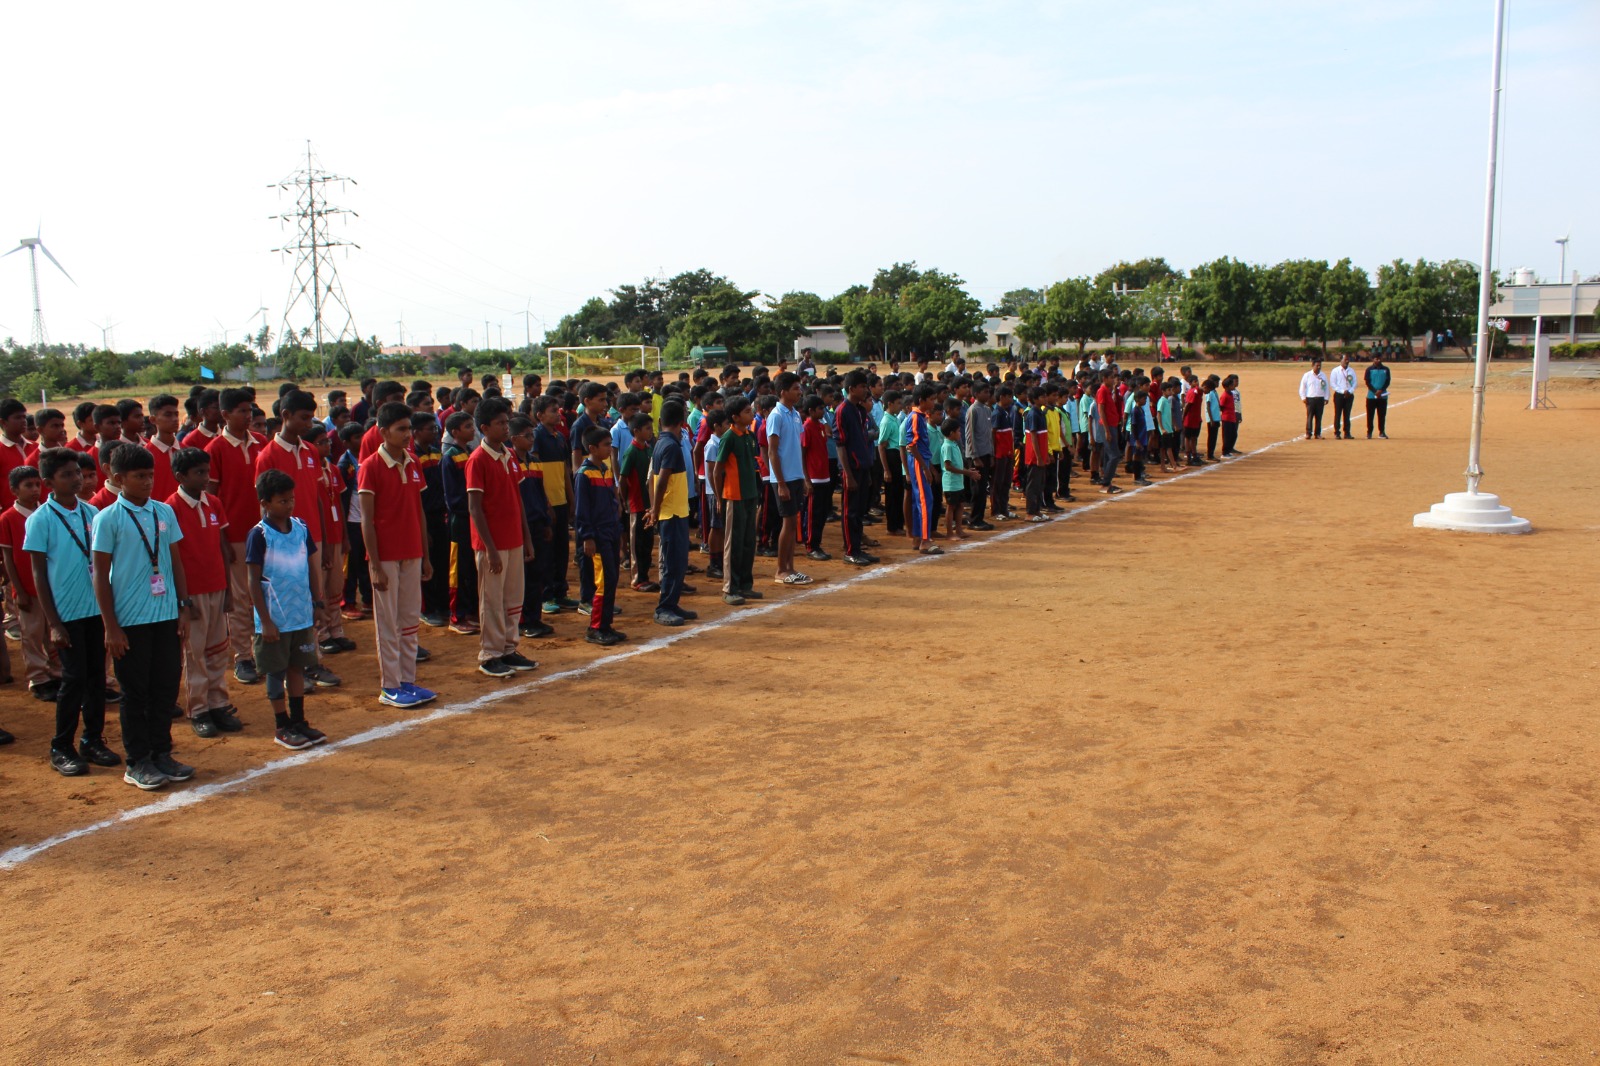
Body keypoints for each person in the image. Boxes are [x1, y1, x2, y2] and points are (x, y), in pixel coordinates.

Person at [91, 443, 192, 791]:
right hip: (129, 622)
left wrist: (183, 606)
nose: (147, 482)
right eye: (139, 477)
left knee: (165, 689)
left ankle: (162, 753)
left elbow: (176, 562)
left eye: (150, 475)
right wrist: (111, 626)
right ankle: (138, 761)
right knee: (136, 694)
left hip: (165, 615)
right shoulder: (106, 519)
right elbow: (100, 575)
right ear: (118, 478)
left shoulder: (164, 513)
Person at [23, 449, 117, 775]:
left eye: (78, 472)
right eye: (67, 475)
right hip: (67, 613)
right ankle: (61, 745)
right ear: (49, 482)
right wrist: (54, 623)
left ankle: (92, 739)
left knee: (95, 679)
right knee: (73, 680)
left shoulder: (92, 513)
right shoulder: (40, 520)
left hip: (95, 610)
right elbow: (38, 575)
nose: (76, 478)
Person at [246, 469, 329, 751]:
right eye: (282, 501)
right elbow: (253, 580)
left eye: (291, 499)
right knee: (275, 670)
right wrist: (265, 621)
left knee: (297, 667)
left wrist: (316, 603)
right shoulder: (259, 535)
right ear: (265, 503)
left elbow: (311, 567)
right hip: (275, 619)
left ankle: (299, 720)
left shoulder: (301, 528)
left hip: (300, 615)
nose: (289, 505)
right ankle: (281, 725)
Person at [167, 447, 240, 739]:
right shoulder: (170, 508)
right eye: (199, 473)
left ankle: (218, 702)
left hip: (216, 586)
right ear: (180, 476)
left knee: (218, 649)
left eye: (207, 472)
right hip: (192, 592)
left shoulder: (213, 503)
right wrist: (183, 600)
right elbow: (172, 558)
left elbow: (222, 547)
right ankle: (198, 709)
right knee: (195, 652)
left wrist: (228, 589)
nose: (206, 478)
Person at [465, 397, 538, 679]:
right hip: (491, 544)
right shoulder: (478, 460)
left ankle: (509, 647)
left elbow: (517, 500)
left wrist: (526, 537)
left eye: (507, 422)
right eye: (500, 424)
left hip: (513, 539)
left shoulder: (508, 455)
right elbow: (474, 507)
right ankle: (490, 653)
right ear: (484, 427)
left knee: (512, 598)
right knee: (491, 600)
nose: (506, 427)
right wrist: (491, 549)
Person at [205, 388, 265, 684]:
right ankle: (243, 656)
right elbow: (211, 498)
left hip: (265, 532)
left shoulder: (262, 444)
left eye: (250, 410)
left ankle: (266, 648)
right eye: (241, 410)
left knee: (266, 593)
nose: (248, 415)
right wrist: (221, 539)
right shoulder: (215, 449)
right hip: (236, 535)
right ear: (226, 415)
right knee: (242, 598)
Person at [1, 465, 62, 702]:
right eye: (28, 485)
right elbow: (8, 557)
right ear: (15, 490)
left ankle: (55, 672)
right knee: (32, 634)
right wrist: (18, 590)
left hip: (51, 586)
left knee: (52, 631)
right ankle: (38, 678)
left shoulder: (47, 512)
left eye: (37, 484)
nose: (35, 489)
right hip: (27, 587)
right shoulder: (8, 518)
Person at [572, 427, 625, 646]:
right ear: (592, 448)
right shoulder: (584, 474)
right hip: (598, 535)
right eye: (605, 445)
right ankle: (595, 627)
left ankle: (606, 624)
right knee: (602, 581)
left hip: (610, 531)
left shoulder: (604, 469)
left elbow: (612, 502)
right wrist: (588, 537)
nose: (609, 448)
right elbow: (582, 510)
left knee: (611, 579)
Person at [649, 400, 697, 625]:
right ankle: (664, 607)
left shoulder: (662, 442)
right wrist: (655, 510)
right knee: (672, 562)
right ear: (682, 423)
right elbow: (662, 480)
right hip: (671, 513)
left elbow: (653, 479)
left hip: (675, 510)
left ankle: (672, 602)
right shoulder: (671, 446)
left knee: (678, 561)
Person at [713, 396, 761, 605]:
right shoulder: (729, 437)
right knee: (733, 542)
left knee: (749, 541)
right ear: (735, 417)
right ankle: (729, 587)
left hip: (750, 494)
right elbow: (717, 470)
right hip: (734, 496)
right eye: (747, 411)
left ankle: (745, 584)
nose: (751, 414)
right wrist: (718, 497)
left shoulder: (749, 436)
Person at [765, 372, 810, 584]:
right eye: (795, 388)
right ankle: (781, 570)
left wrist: (802, 477)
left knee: (793, 524)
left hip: (794, 476)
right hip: (782, 478)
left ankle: (790, 568)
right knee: (788, 522)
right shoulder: (776, 415)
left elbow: (797, 448)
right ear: (783, 392)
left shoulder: (794, 414)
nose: (799, 392)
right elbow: (772, 451)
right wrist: (781, 483)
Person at [440, 411, 479, 634]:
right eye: (467, 427)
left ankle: (470, 610)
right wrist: (469, 509)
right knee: (458, 569)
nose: (472, 430)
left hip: (473, 518)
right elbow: (453, 495)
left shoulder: (470, 452)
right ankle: (456, 616)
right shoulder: (450, 457)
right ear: (455, 432)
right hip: (460, 520)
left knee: (471, 569)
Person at [413, 413, 451, 629]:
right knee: (425, 565)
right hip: (424, 516)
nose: (435, 432)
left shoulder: (437, 454)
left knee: (442, 561)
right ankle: (427, 608)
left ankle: (442, 604)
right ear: (416, 432)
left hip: (440, 514)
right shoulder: (412, 457)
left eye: (435, 429)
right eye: (430, 429)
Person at [835, 370, 877, 565]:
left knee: (859, 510)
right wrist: (848, 474)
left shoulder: (860, 410)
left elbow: (862, 441)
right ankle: (851, 550)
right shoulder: (842, 410)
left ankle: (858, 547)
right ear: (851, 389)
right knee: (850, 511)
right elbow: (841, 445)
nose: (865, 390)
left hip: (862, 466)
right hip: (851, 469)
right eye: (862, 387)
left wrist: (866, 470)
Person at [617, 413, 657, 593]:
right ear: (636, 431)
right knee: (636, 543)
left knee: (647, 543)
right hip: (636, 504)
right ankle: (637, 579)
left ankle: (645, 576)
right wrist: (624, 501)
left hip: (648, 504)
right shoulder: (631, 451)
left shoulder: (648, 449)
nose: (651, 431)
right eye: (647, 428)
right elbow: (623, 478)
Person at [903, 383, 941, 549]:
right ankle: (925, 539)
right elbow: (912, 445)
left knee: (920, 499)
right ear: (921, 400)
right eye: (931, 400)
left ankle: (918, 537)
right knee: (925, 500)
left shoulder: (920, 417)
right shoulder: (914, 417)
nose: (933, 403)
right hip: (918, 462)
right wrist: (925, 468)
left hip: (921, 461)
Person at [798, 395, 833, 562]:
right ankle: (811, 546)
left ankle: (816, 543)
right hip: (814, 478)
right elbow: (802, 455)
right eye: (820, 409)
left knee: (821, 513)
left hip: (824, 476)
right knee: (812, 514)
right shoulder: (806, 428)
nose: (823, 411)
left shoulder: (819, 426)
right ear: (811, 411)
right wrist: (806, 480)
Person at [939, 417, 978, 540]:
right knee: (951, 507)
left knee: (960, 505)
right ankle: (950, 533)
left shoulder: (953, 444)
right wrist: (966, 472)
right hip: (950, 482)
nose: (960, 433)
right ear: (951, 433)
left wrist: (966, 471)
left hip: (957, 482)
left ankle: (959, 530)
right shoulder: (947, 446)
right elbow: (948, 466)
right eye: (958, 431)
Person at [1299, 359, 1331, 440]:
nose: (1319, 367)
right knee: (1310, 417)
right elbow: (1302, 387)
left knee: (1319, 417)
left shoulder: (1323, 375)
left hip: (1320, 399)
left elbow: (1326, 387)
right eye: (1317, 365)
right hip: (1310, 399)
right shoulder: (1307, 375)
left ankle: (1318, 434)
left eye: (1320, 365)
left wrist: (1326, 397)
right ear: (1312, 366)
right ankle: (1308, 433)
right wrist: (1303, 397)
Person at [1330, 354, 1358, 439]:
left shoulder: (1351, 371)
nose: (1347, 361)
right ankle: (1337, 433)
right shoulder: (1335, 371)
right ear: (1341, 360)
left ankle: (1347, 433)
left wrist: (1350, 391)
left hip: (1349, 395)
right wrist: (1343, 391)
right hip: (1339, 395)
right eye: (1345, 359)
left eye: (1348, 359)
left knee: (1347, 414)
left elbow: (1355, 383)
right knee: (1338, 414)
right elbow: (1333, 384)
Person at [1365, 353, 1392, 439]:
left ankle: (1382, 432)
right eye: (1376, 359)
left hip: (1382, 396)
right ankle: (1369, 432)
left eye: (1379, 358)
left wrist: (1381, 390)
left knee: (1382, 415)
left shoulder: (1386, 369)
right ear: (1373, 359)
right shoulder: (1369, 369)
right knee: (1370, 415)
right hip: (1371, 396)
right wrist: (1374, 391)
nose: (1378, 360)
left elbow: (1387, 381)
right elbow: (1367, 382)